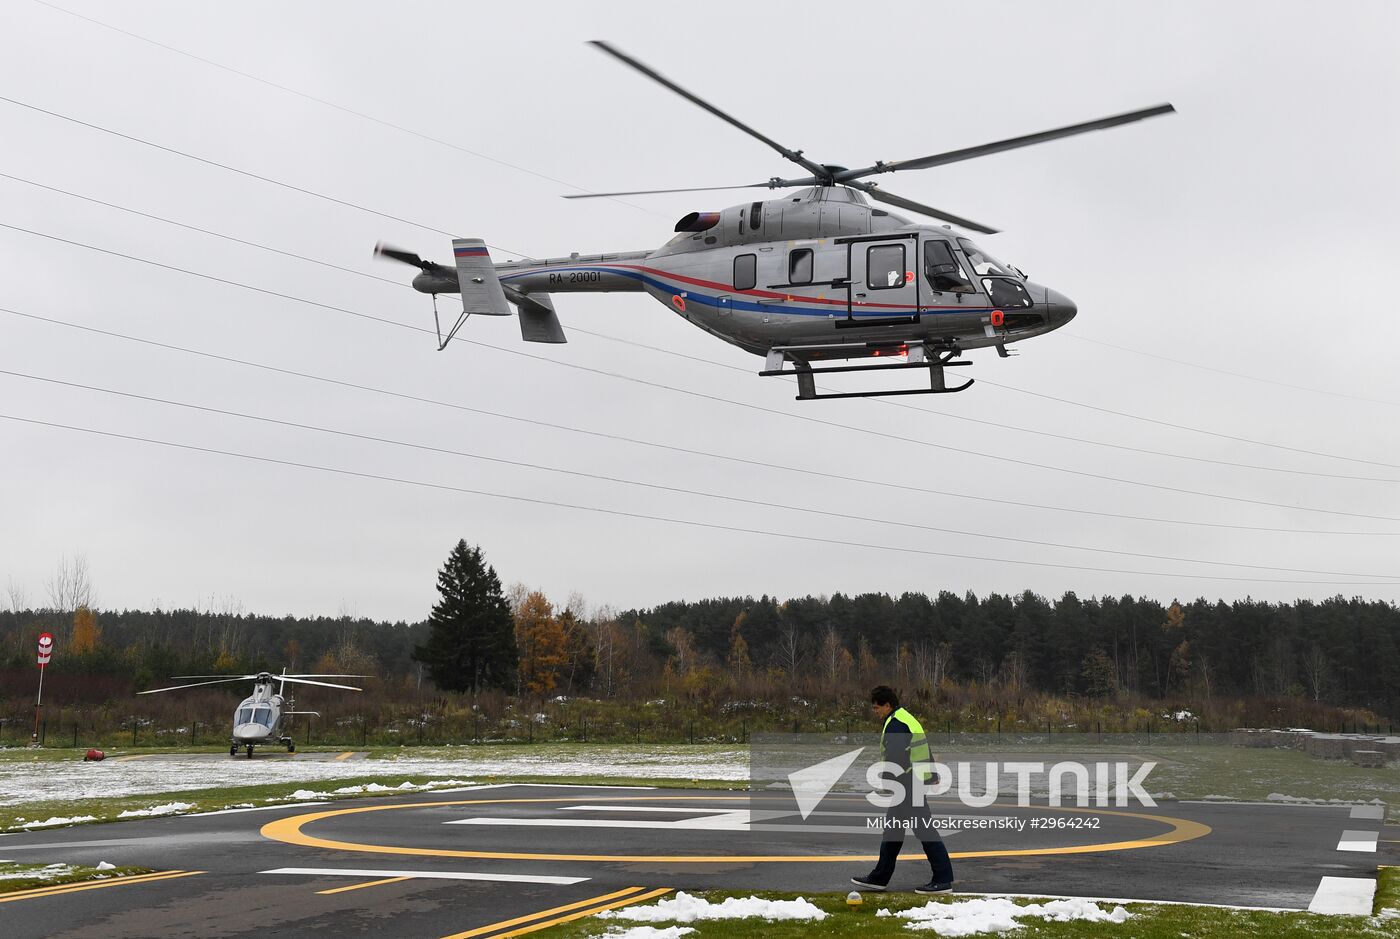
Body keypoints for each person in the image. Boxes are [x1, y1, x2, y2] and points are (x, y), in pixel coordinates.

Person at [852, 685, 955, 893]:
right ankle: (879, 878)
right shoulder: (905, 718)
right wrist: (932, 775)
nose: (875, 711)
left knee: (924, 831)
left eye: (876, 707)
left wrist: (890, 781)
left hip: (908, 785)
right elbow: (922, 748)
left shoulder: (896, 723)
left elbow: (896, 756)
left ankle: (943, 880)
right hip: (913, 782)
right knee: (893, 831)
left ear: (887, 705)